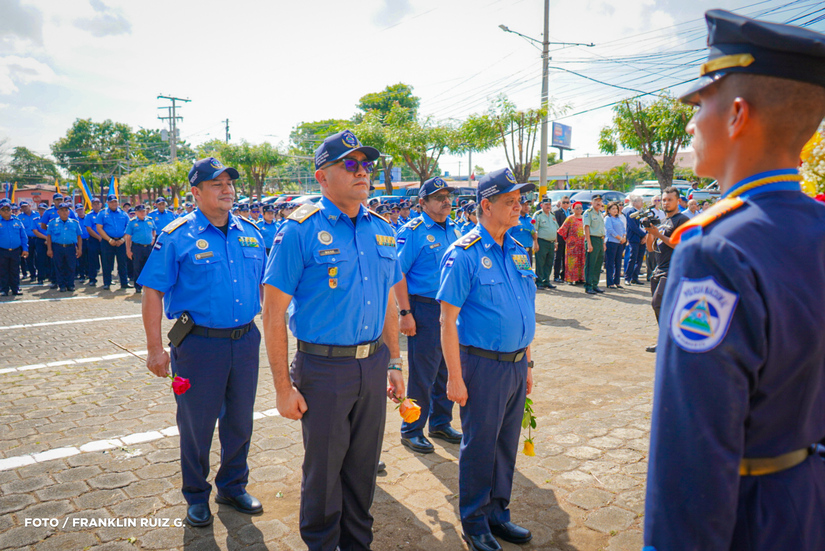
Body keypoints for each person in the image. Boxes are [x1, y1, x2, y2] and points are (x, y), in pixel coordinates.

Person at [644, 9, 825, 551]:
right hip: (808, 502)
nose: (691, 123)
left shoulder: (714, 250)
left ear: (737, 114)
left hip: (747, 518)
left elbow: (692, 452)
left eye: (701, 104)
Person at [261, 129, 405, 551]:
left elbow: (389, 303)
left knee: (363, 469)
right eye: (351, 164)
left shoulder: (382, 229)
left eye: (366, 165)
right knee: (324, 473)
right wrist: (282, 388)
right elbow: (272, 312)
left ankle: (357, 543)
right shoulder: (300, 230)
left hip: (372, 364)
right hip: (323, 369)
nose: (363, 172)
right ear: (322, 177)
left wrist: (394, 362)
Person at [138, 157, 266, 528]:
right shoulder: (177, 235)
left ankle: (233, 486)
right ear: (196, 192)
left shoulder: (250, 232)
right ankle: (196, 495)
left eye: (230, 183)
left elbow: (264, 285)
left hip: (245, 341)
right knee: (197, 425)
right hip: (198, 346)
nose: (228, 190)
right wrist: (154, 350)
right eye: (217, 184)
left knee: (240, 420)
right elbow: (152, 292)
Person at [438, 167, 535, 551]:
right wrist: (454, 377)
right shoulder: (464, 254)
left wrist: (528, 363)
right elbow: (447, 320)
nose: (518, 207)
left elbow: (525, 308)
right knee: (480, 446)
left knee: (505, 444)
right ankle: (475, 521)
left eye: (519, 200)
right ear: (486, 205)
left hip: (515, 364)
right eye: (510, 201)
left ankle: (498, 513)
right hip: (482, 365)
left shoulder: (518, 249)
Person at [394, 176, 463, 455]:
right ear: (422, 203)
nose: (446, 201)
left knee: (447, 368)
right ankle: (411, 430)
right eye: (439, 198)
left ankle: (440, 423)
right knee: (423, 374)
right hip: (424, 308)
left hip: (451, 310)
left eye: (448, 197)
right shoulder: (413, 232)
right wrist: (405, 312)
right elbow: (398, 273)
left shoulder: (455, 229)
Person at [644, 187, 689, 352]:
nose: (666, 203)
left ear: (678, 201)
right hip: (659, 269)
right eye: (663, 200)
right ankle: (667, 340)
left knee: (658, 303)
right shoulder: (663, 221)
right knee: (662, 307)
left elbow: (679, 244)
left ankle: (670, 341)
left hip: (673, 270)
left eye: (670, 200)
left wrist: (659, 234)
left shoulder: (682, 220)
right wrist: (650, 232)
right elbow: (650, 248)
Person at [97, 194, 131, 291]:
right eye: (111, 202)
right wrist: (109, 239)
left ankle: (124, 282)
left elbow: (128, 228)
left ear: (118, 202)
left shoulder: (124, 214)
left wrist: (123, 239)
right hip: (107, 241)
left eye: (115, 201)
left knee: (122, 262)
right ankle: (107, 283)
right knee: (106, 262)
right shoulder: (102, 213)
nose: (113, 203)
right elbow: (99, 228)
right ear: (107, 203)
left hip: (121, 241)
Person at [45, 202, 82, 292]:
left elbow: (79, 236)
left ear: (69, 212)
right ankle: (61, 285)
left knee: (71, 267)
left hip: (70, 247)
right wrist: (49, 249)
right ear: (58, 212)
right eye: (62, 210)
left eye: (66, 210)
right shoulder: (52, 223)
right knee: (59, 266)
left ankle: (70, 285)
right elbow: (49, 236)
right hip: (58, 247)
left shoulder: (74, 223)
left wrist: (80, 249)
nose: (64, 212)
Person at [124, 204, 156, 295]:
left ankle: (148, 286)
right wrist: (128, 250)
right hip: (137, 247)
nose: (142, 213)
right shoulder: (132, 222)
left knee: (148, 267)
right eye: (140, 211)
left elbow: (154, 230)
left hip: (148, 247)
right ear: (136, 213)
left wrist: (153, 238)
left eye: (144, 211)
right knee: (137, 267)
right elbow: (128, 237)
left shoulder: (150, 220)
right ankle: (138, 287)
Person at [0, 198, 28, 296]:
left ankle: (15, 288)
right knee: (3, 270)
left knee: (15, 270)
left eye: (8, 209)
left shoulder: (17, 221)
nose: (6, 211)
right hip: (2, 251)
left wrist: (25, 249)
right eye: (3, 209)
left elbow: (23, 236)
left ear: (11, 210)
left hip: (15, 250)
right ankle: (4, 289)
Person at [532, 198, 558, 289]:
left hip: (551, 242)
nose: (548, 206)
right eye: (546, 204)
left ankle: (546, 281)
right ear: (541, 205)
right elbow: (534, 230)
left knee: (549, 263)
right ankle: (539, 282)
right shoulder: (538, 215)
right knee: (540, 263)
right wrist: (535, 243)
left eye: (549, 204)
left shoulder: (552, 215)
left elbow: (555, 229)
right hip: (542, 241)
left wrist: (556, 242)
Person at [557, 202, 585, 284]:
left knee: (582, 261)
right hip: (572, 245)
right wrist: (568, 240)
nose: (579, 210)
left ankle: (581, 278)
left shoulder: (584, 218)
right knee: (572, 262)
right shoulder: (570, 218)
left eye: (580, 208)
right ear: (573, 209)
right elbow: (562, 230)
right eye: (577, 208)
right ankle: (571, 279)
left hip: (582, 244)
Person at [583, 195, 606, 295]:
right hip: (592, 239)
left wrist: (603, 243)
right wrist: (589, 243)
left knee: (598, 264)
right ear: (591, 202)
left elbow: (602, 229)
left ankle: (595, 284)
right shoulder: (588, 213)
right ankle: (588, 285)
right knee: (591, 264)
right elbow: (586, 228)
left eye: (600, 201)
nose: (598, 202)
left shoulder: (600, 213)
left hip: (600, 239)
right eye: (596, 200)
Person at [623, 196, 647, 286]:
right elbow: (633, 227)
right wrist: (644, 235)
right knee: (632, 258)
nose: (642, 203)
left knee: (640, 258)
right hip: (634, 238)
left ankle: (635, 277)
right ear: (634, 202)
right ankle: (627, 277)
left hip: (642, 238)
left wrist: (645, 236)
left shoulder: (642, 212)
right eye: (640, 201)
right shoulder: (631, 212)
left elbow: (645, 225)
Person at [604, 202, 626, 289]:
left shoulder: (618, 218)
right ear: (609, 210)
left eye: (616, 208)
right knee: (610, 263)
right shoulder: (608, 218)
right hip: (611, 242)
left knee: (618, 262)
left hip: (619, 243)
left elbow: (623, 228)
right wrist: (619, 238)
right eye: (613, 209)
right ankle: (610, 282)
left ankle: (617, 281)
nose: (615, 210)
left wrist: (624, 237)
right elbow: (610, 230)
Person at [507, 197, 536, 266]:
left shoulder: (529, 219)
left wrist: (535, 240)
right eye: (524, 205)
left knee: (528, 271)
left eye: (527, 205)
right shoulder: (514, 218)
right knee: (522, 270)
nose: (526, 207)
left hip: (529, 250)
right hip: (518, 250)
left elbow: (533, 233)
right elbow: (507, 235)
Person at [18, 200, 39, 282]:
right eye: (22, 207)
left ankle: (41, 274)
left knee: (39, 257)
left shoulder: (37, 214)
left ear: (29, 206)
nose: (24, 208)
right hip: (27, 239)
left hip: (38, 238)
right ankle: (32, 274)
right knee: (29, 258)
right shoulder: (20, 217)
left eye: (25, 206)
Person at [85, 198, 103, 287]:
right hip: (93, 240)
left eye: (97, 203)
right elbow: (89, 229)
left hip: (104, 239)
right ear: (91, 205)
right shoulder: (89, 216)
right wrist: (98, 237)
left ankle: (107, 280)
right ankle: (92, 279)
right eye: (94, 204)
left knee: (106, 261)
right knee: (92, 261)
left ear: (101, 204)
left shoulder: (104, 214)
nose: (96, 205)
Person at [552, 197, 570, 282]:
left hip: (569, 239)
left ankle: (564, 275)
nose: (565, 204)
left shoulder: (570, 212)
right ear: (560, 203)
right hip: (560, 237)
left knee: (566, 257)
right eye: (564, 202)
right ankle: (556, 275)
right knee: (558, 257)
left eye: (567, 202)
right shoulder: (557, 212)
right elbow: (557, 226)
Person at [32, 203, 50, 285]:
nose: (41, 211)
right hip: (40, 240)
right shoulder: (35, 220)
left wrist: (49, 239)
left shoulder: (51, 220)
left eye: (43, 210)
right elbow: (35, 231)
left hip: (51, 240)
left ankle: (51, 276)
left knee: (51, 259)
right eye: (40, 210)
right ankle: (41, 277)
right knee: (40, 259)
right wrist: (46, 238)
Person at [75, 204, 90, 283]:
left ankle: (89, 274)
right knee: (81, 259)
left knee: (90, 258)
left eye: (81, 209)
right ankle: (82, 275)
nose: (80, 211)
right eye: (78, 210)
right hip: (80, 241)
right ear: (76, 211)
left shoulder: (88, 217)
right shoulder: (75, 220)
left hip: (89, 240)